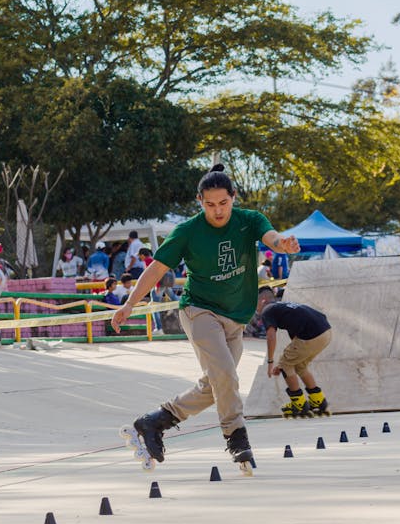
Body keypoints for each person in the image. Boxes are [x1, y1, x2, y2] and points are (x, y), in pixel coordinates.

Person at [112, 163, 300, 467]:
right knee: (225, 374)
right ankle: (236, 435)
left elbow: (271, 237)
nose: (218, 211)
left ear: (234, 197)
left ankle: (156, 421)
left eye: (223, 203)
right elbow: (157, 268)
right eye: (210, 205)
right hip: (199, 311)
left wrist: (283, 245)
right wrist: (130, 303)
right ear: (200, 201)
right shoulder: (188, 231)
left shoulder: (249, 220)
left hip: (235, 318)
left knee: (217, 385)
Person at [257, 286, 332, 418]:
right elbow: (295, 336)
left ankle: (299, 404)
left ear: (263, 300)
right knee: (299, 366)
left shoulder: (267, 310)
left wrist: (271, 362)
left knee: (286, 364)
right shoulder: (282, 307)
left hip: (312, 334)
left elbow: (271, 336)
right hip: (325, 332)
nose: (254, 309)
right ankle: (318, 400)